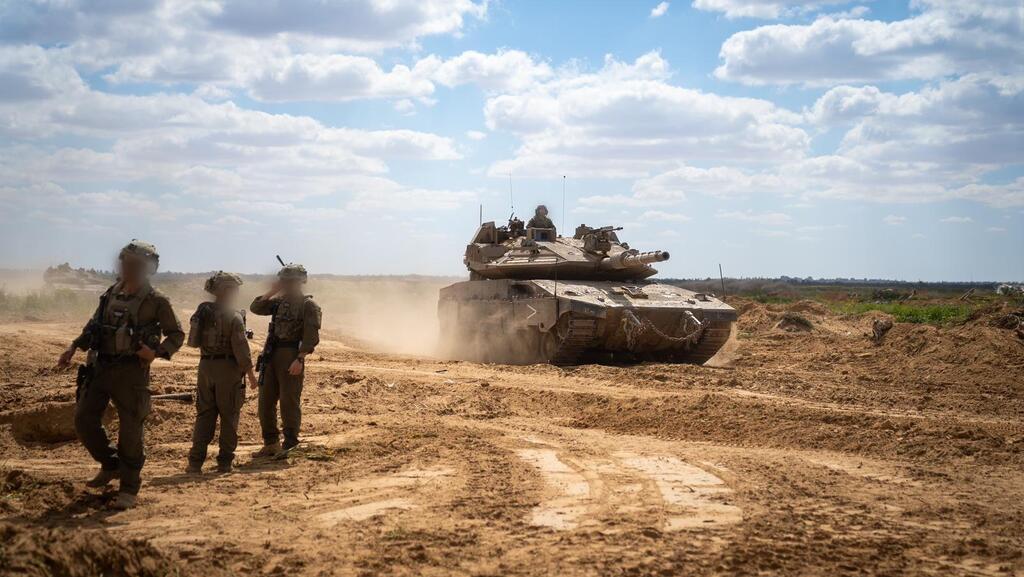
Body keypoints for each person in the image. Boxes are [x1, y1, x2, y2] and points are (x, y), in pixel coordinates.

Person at [57, 240, 184, 510]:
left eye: (134, 264)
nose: (127, 267)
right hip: (101, 367)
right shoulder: (111, 291)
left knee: (130, 431)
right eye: (125, 261)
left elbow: (177, 334)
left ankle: (128, 488)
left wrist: (157, 352)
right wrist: (73, 346)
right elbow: (94, 325)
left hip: (131, 373)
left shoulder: (156, 300)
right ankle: (110, 464)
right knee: (84, 419)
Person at [185, 272, 257, 474]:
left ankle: (195, 462)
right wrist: (251, 375)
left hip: (205, 367)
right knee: (229, 415)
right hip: (227, 369)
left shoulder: (203, 312)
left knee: (205, 414)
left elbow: (194, 341)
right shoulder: (233, 316)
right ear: (227, 290)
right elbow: (241, 349)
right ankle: (224, 463)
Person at [249, 263, 321, 456]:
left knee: (289, 400)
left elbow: (311, 336)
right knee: (265, 401)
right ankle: (270, 442)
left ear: (300, 281)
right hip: (271, 354)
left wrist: (300, 358)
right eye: (284, 281)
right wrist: (272, 291)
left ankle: (290, 443)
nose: (287, 284)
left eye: (290, 281)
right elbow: (255, 307)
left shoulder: (308, 305)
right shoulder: (278, 301)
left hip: (291, 354)